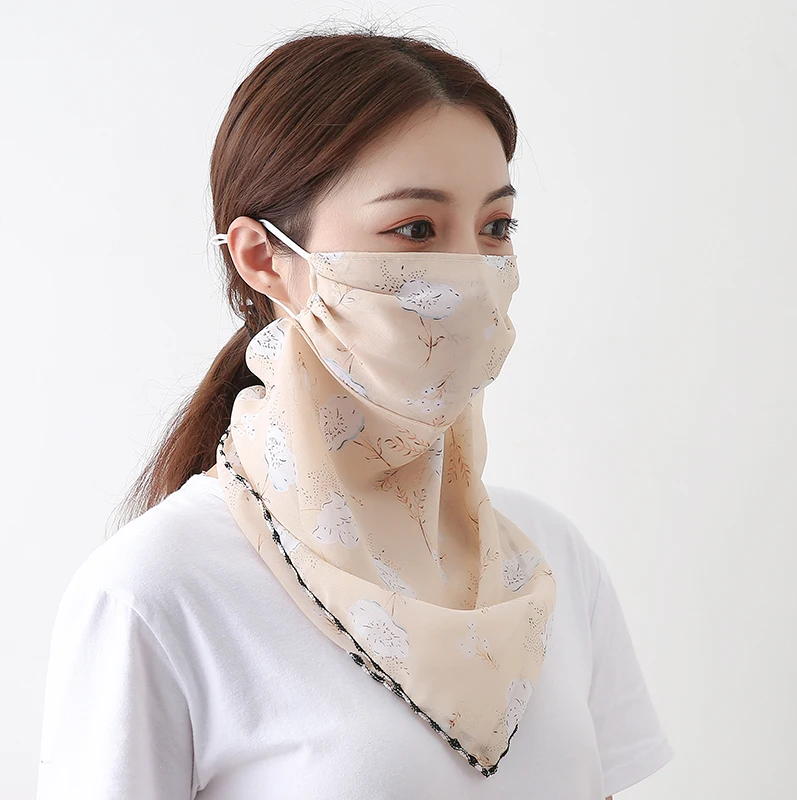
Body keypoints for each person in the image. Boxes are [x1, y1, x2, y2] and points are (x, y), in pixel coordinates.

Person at [36, 27, 673, 799]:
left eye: (496, 228)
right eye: (416, 230)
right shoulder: (156, 591)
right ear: (264, 258)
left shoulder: (549, 561)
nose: (472, 274)